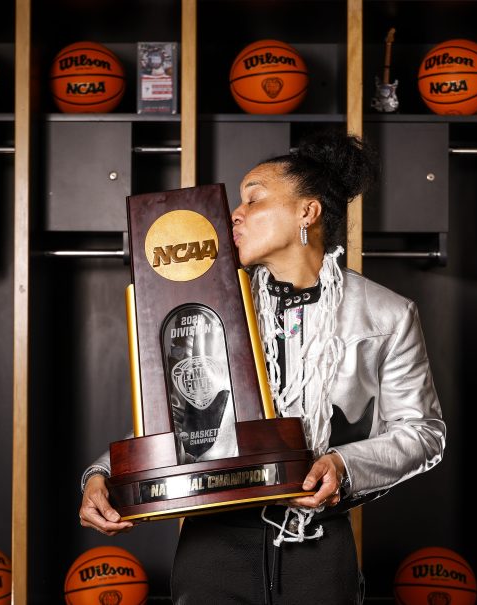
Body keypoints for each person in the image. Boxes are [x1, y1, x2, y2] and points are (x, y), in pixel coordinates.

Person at [78, 130, 447, 604]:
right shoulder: (210, 305)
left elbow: (422, 432)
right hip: (212, 542)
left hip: (319, 545)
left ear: (306, 212)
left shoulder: (387, 314)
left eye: (254, 199)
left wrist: (341, 464)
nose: (236, 212)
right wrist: (99, 476)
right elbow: (179, 420)